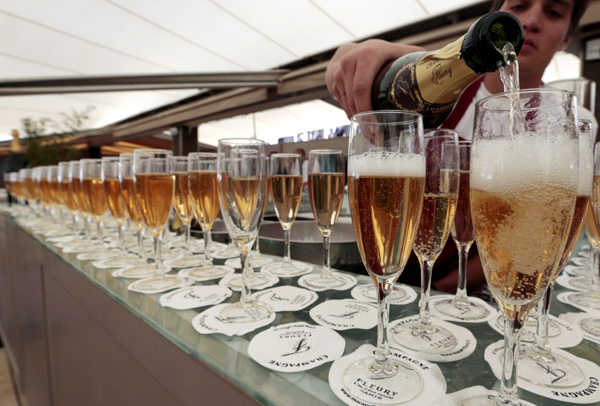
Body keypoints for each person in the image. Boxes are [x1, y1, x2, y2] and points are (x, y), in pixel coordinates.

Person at [326, 0, 595, 293]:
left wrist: (448, 290)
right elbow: (340, 63)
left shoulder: (574, 120)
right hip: (396, 270)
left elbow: (550, 233)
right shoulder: (442, 88)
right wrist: (361, 54)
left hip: (476, 292)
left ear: (567, 38)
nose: (531, 21)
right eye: (519, 6)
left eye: (553, 12)